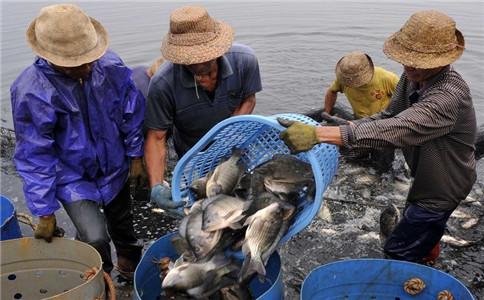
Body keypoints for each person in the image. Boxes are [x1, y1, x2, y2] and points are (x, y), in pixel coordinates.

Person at [278, 10, 476, 264]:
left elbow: (400, 128)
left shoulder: (448, 96)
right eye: (407, 58)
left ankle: (413, 272)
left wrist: (319, 133)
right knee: (420, 230)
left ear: (442, 60)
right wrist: (346, 130)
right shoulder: (412, 78)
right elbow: (388, 116)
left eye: (420, 60)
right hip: (424, 174)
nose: (410, 65)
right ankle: (428, 255)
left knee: (397, 250)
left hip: (444, 186)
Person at [10, 4, 146, 277]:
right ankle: (101, 278)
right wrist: (45, 210)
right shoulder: (32, 90)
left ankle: (129, 270)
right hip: (72, 177)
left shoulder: (111, 67)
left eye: (88, 58)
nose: (85, 66)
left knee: (124, 226)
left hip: (114, 165)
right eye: (75, 63)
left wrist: (135, 155)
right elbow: (35, 154)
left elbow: (130, 111)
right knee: (94, 236)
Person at [144, 6, 262, 216]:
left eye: (204, 55)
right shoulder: (162, 84)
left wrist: (229, 133)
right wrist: (156, 185)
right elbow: (156, 137)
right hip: (193, 153)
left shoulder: (245, 61)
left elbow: (249, 98)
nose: (198, 63)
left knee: (246, 202)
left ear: (219, 48)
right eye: (190, 58)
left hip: (237, 144)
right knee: (202, 208)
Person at [324, 51, 399, 119]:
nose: (353, 83)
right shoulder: (344, 79)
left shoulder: (387, 78)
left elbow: (406, 97)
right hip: (359, 120)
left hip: (383, 120)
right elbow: (332, 91)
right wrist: (327, 113)